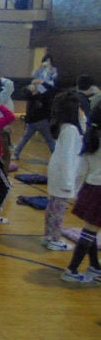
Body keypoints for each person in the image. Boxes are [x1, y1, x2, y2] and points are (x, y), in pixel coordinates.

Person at [60, 103, 101, 282]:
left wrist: (77, 190)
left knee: (91, 228)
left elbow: (82, 169)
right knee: (90, 230)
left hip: (90, 187)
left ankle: (94, 266)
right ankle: (71, 270)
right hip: (99, 190)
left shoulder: (92, 136)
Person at [43, 91, 84, 251]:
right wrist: (68, 182)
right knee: (59, 208)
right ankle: (55, 239)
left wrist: (81, 117)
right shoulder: (70, 130)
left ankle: (48, 236)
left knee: (53, 205)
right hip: (62, 172)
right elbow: (67, 157)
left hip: (57, 170)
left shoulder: (64, 126)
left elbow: (84, 132)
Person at [12, 83, 56, 160]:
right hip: (42, 122)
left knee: (24, 138)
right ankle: (56, 156)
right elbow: (51, 89)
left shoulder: (30, 99)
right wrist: (42, 82)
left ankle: (15, 154)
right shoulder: (42, 97)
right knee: (50, 140)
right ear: (33, 91)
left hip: (31, 123)